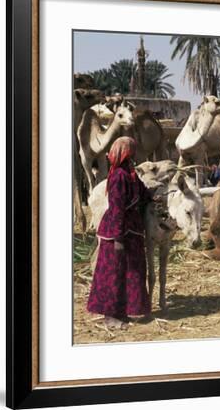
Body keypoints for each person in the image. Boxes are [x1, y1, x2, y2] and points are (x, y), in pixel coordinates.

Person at [87, 137, 153, 328]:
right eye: (132, 150)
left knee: (130, 272)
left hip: (132, 230)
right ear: (126, 152)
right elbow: (116, 208)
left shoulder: (131, 174)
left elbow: (142, 193)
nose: (134, 153)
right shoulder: (118, 176)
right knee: (114, 274)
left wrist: (153, 197)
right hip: (119, 232)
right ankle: (110, 316)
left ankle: (124, 311)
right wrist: (118, 238)